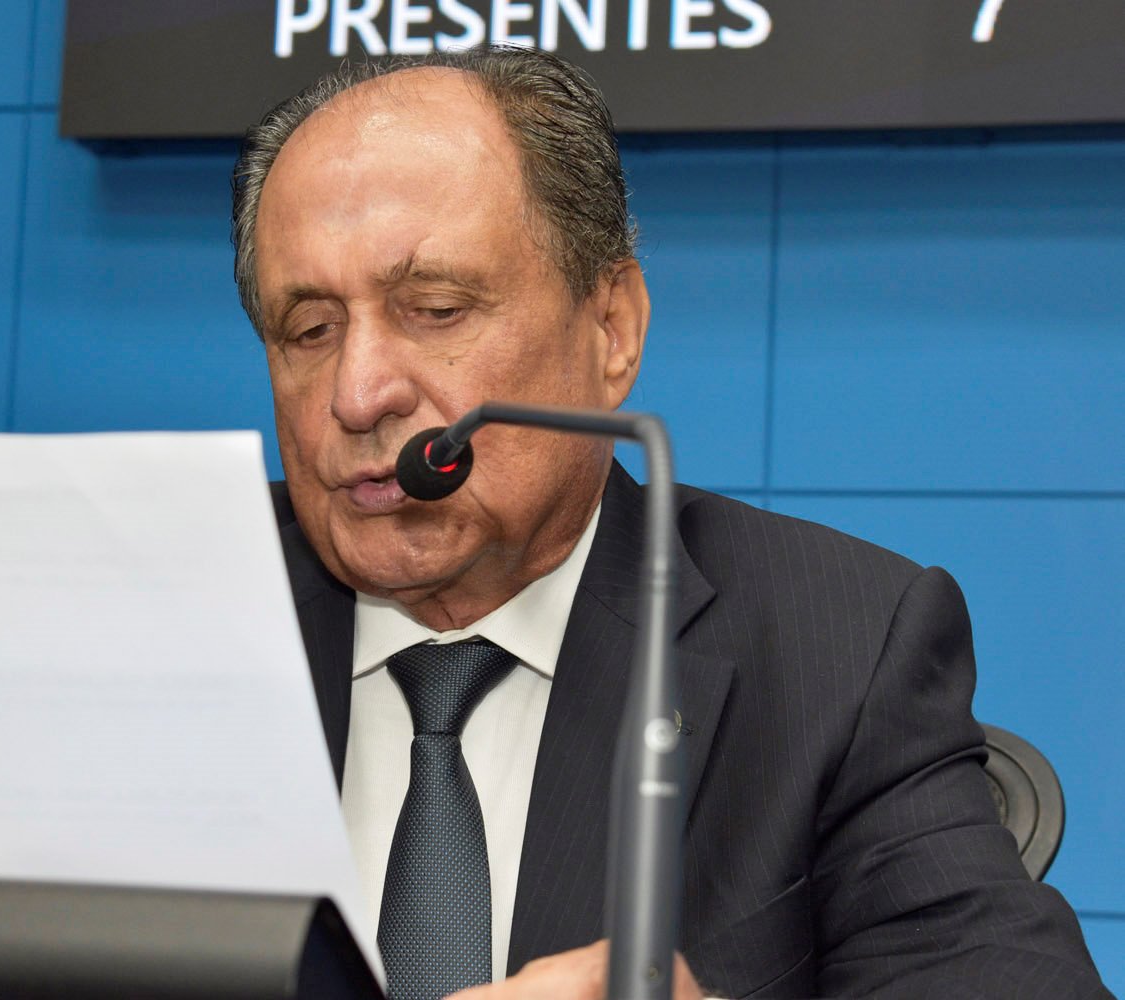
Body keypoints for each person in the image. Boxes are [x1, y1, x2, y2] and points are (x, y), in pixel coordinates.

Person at [230, 45, 1111, 999]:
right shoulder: (171, 612)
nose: (358, 394)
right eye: (309, 331)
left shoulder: (838, 651)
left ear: (611, 329)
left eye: (435, 308)